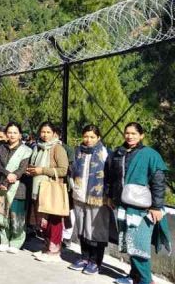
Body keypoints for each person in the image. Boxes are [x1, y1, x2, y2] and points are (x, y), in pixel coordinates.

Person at [107, 122, 170, 284]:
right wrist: (110, 196)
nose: (129, 136)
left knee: (139, 245)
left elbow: (158, 182)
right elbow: (111, 177)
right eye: (127, 133)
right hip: (123, 205)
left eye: (134, 133)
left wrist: (156, 206)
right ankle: (134, 276)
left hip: (143, 209)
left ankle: (146, 280)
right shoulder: (118, 152)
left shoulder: (151, 154)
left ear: (142, 135)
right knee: (129, 242)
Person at [67, 125, 111, 275]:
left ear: (98, 138)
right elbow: (71, 171)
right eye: (86, 136)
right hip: (79, 195)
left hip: (97, 198)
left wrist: (108, 194)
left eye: (92, 137)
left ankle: (95, 262)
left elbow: (110, 175)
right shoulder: (78, 151)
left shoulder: (104, 152)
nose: (88, 140)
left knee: (96, 230)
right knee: (82, 228)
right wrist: (74, 186)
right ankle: (84, 257)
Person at [27, 122, 69, 262]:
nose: (45, 135)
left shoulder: (57, 148)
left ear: (54, 134)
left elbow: (64, 170)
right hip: (39, 187)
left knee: (54, 220)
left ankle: (54, 251)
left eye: (48, 132)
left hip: (52, 188)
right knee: (43, 220)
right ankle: (46, 247)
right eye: (43, 132)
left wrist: (42, 170)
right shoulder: (38, 148)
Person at [0, 122, 32, 254]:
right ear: (6, 134)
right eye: (9, 132)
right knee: (2, 213)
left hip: (18, 187)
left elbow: (23, 167)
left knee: (16, 215)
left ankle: (16, 241)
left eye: (15, 132)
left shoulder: (26, 150)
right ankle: (4, 241)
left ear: (20, 135)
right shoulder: (1, 147)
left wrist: (14, 175)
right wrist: (7, 174)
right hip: (3, 184)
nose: (12, 135)